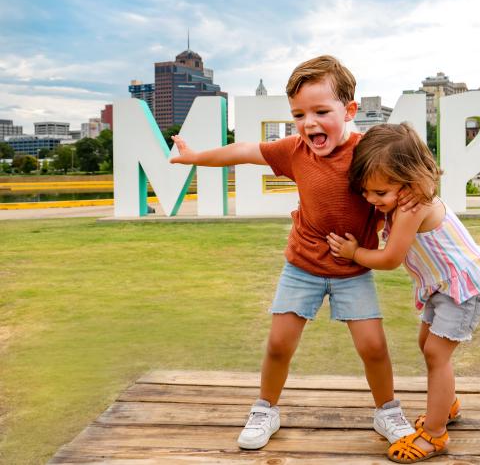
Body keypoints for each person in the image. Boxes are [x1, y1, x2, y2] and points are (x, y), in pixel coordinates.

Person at [170, 56, 415, 450]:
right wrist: (194, 157)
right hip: (302, 266)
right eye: (299, 114)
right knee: (279, 344)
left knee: (374, 347)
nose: (310, 123)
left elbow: (406, 176)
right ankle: (266, 408)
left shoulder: (368, 151)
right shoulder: (295, 149)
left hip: (353, 268)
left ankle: (387, 410)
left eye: (321, 111)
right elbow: (246, 150)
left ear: (349, 111)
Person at [327, 122, 480, 463]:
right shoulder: (403, 198)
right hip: (442, 286)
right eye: (366, 192)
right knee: (427, 346)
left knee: (437, 353)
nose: (371, 201)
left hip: (463, 287)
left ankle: (435, 435)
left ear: (410, 181)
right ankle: (446, 404)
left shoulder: (411, 206)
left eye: (379, 194)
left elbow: (390, 258)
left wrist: (353, 254)